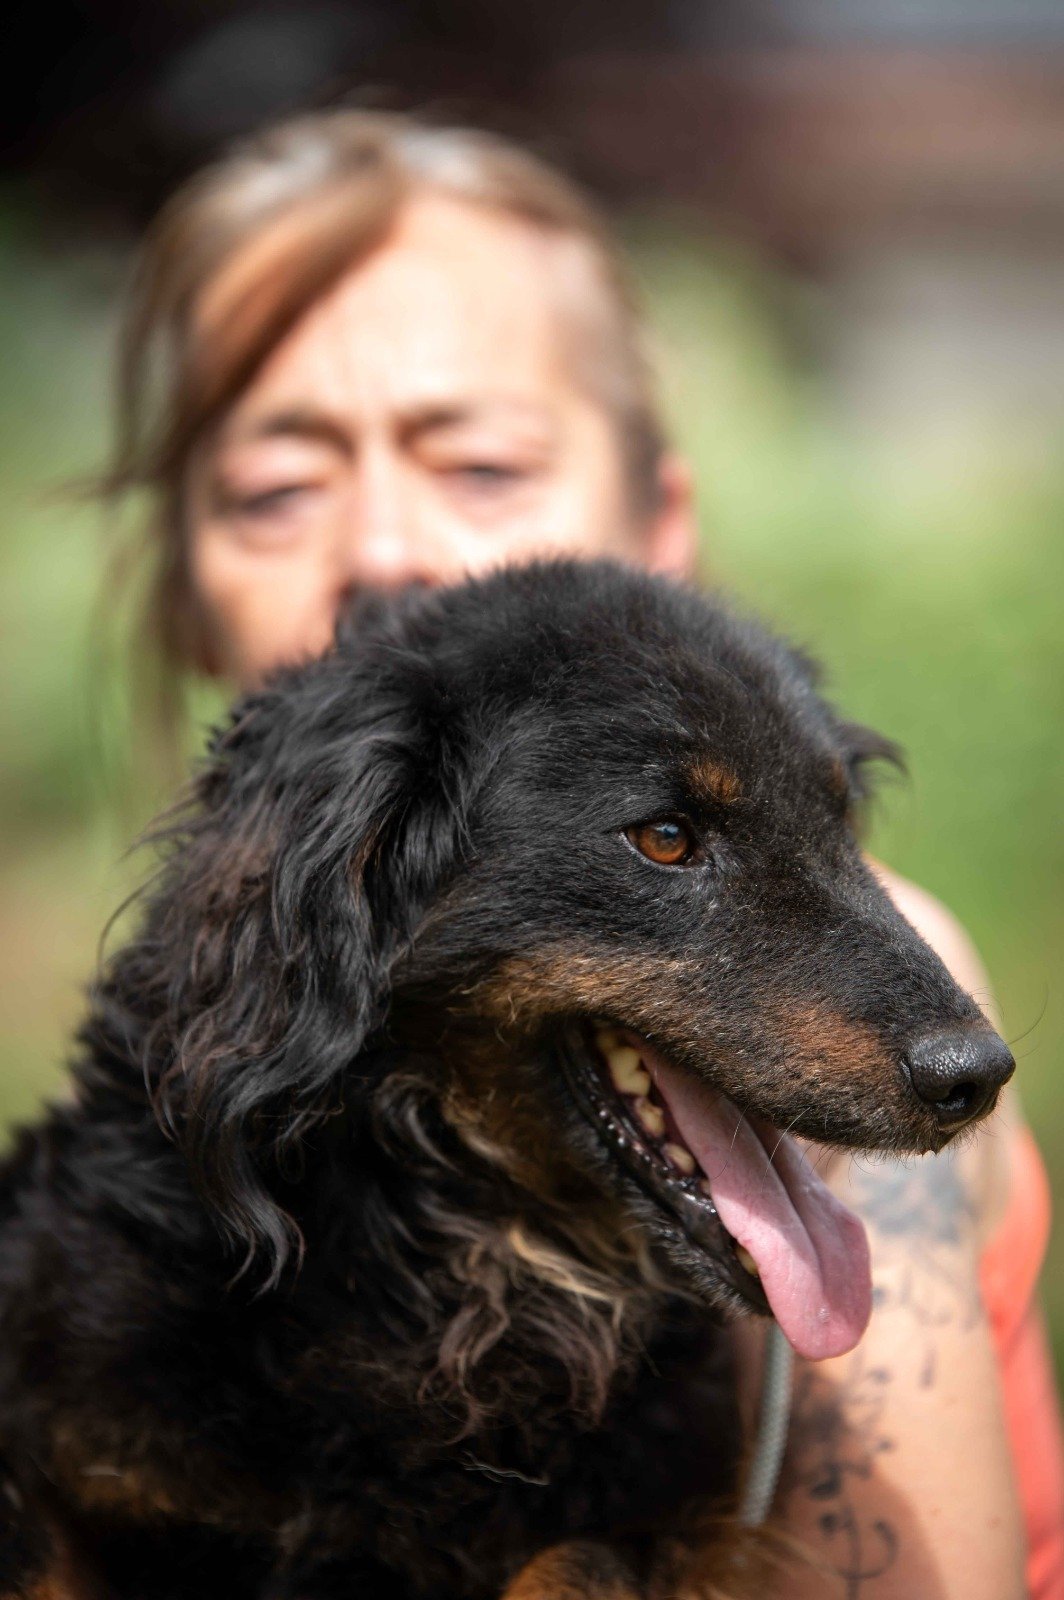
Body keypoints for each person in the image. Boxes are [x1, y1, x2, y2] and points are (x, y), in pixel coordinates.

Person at [102, 108, 1063, 1599]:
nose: (383, 548)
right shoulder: (191, 1087)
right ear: (184, 589)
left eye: (481, 464)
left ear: (654, 526)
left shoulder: (872, 969)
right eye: (277, 490)